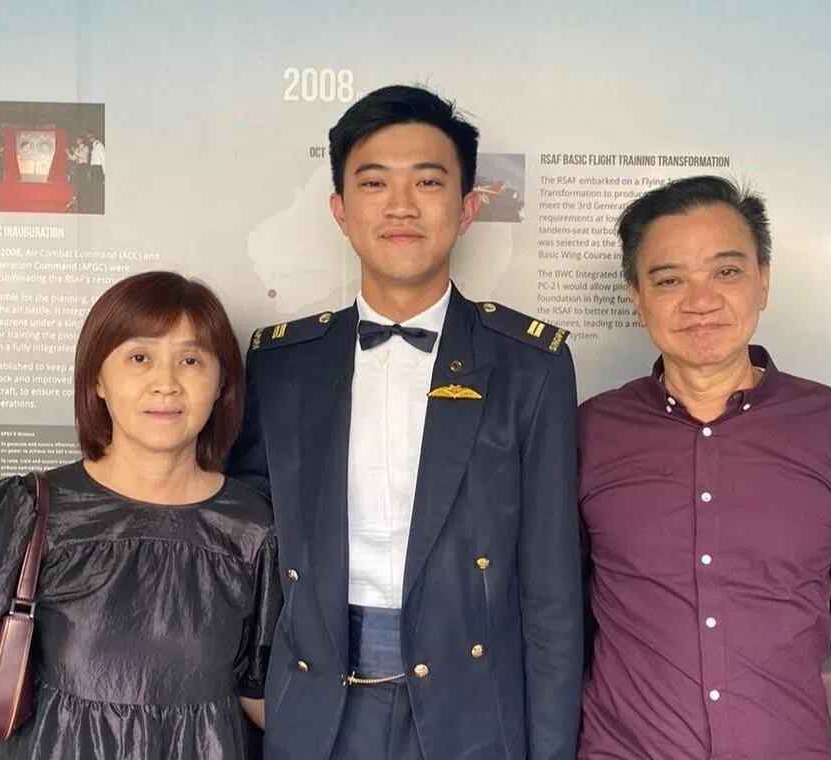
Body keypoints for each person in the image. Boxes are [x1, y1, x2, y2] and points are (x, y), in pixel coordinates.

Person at [227, 84, 582, 760]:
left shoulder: (530, 367)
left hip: (472, 709)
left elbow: (552, 594)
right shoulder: (281, 365)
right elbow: (243, 551)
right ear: (339, 210)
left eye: (427, 181)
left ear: (468, 207)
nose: (400, 205)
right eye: (374, 182)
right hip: (315, 708)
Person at [577, 175, 831, 758]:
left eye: (727, 271)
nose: (701, 300)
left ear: (763, 281)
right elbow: (549, 625)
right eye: (669, 280)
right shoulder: (589, 434)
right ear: (636, 296)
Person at [0, 271, 281, 759]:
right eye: (139, 358)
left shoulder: (252, 530)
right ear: (97, 378)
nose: (166, 384)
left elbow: (262, 696)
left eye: (191, 360)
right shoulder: (28, 512)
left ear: (222, 381)